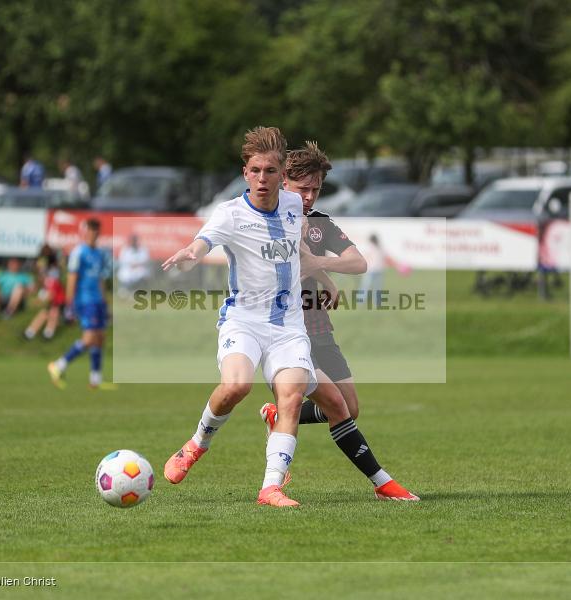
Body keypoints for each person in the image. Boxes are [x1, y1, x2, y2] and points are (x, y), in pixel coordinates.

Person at [160, 126, 317, 507]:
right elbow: (205, 240)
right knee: (237, 386)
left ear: (283, 175)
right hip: (243, 319)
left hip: (288, 325)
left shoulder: (295, 206)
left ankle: (271, 488)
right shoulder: (229, 213)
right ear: (245, 172)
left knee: (292, 397)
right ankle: (197, 444)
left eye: (270, 171)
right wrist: (192, 251)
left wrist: (320, 274)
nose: (262, 178)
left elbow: (299, 239)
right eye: (255, 170)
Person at [259, 141, 419, 501]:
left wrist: (322, 267)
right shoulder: (266, 219)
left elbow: (359, 263)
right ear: (284, 181)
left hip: (319, 327)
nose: (310, 197)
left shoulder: (319, 224)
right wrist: (318, 273)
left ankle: (279, 416)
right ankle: (277, 482)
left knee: (349, 407)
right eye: (303, 189)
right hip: (284, 332)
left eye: (316, 189)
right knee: (312, 402)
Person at [47, 218, 111, 389]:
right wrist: (69, 305)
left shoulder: (99, 253)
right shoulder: (78, 252)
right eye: (90, 232)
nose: (93, 235)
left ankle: (95, 380)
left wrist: (105, 303)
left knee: (100, 338)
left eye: (96, 232)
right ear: (85, 232)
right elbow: (72, 278)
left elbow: (101, 280)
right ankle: (58, 365)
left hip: (98, 301)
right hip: (84, 300)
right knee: (89, 338)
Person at [24, 246, 65, 340]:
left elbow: (51, 295)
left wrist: (37, 301)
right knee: (45, 312)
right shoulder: (46, 277)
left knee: (52, 312)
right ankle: (31, 332)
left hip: (59, 304)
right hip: (53, 303)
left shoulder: (52, 277)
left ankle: (46, 333)